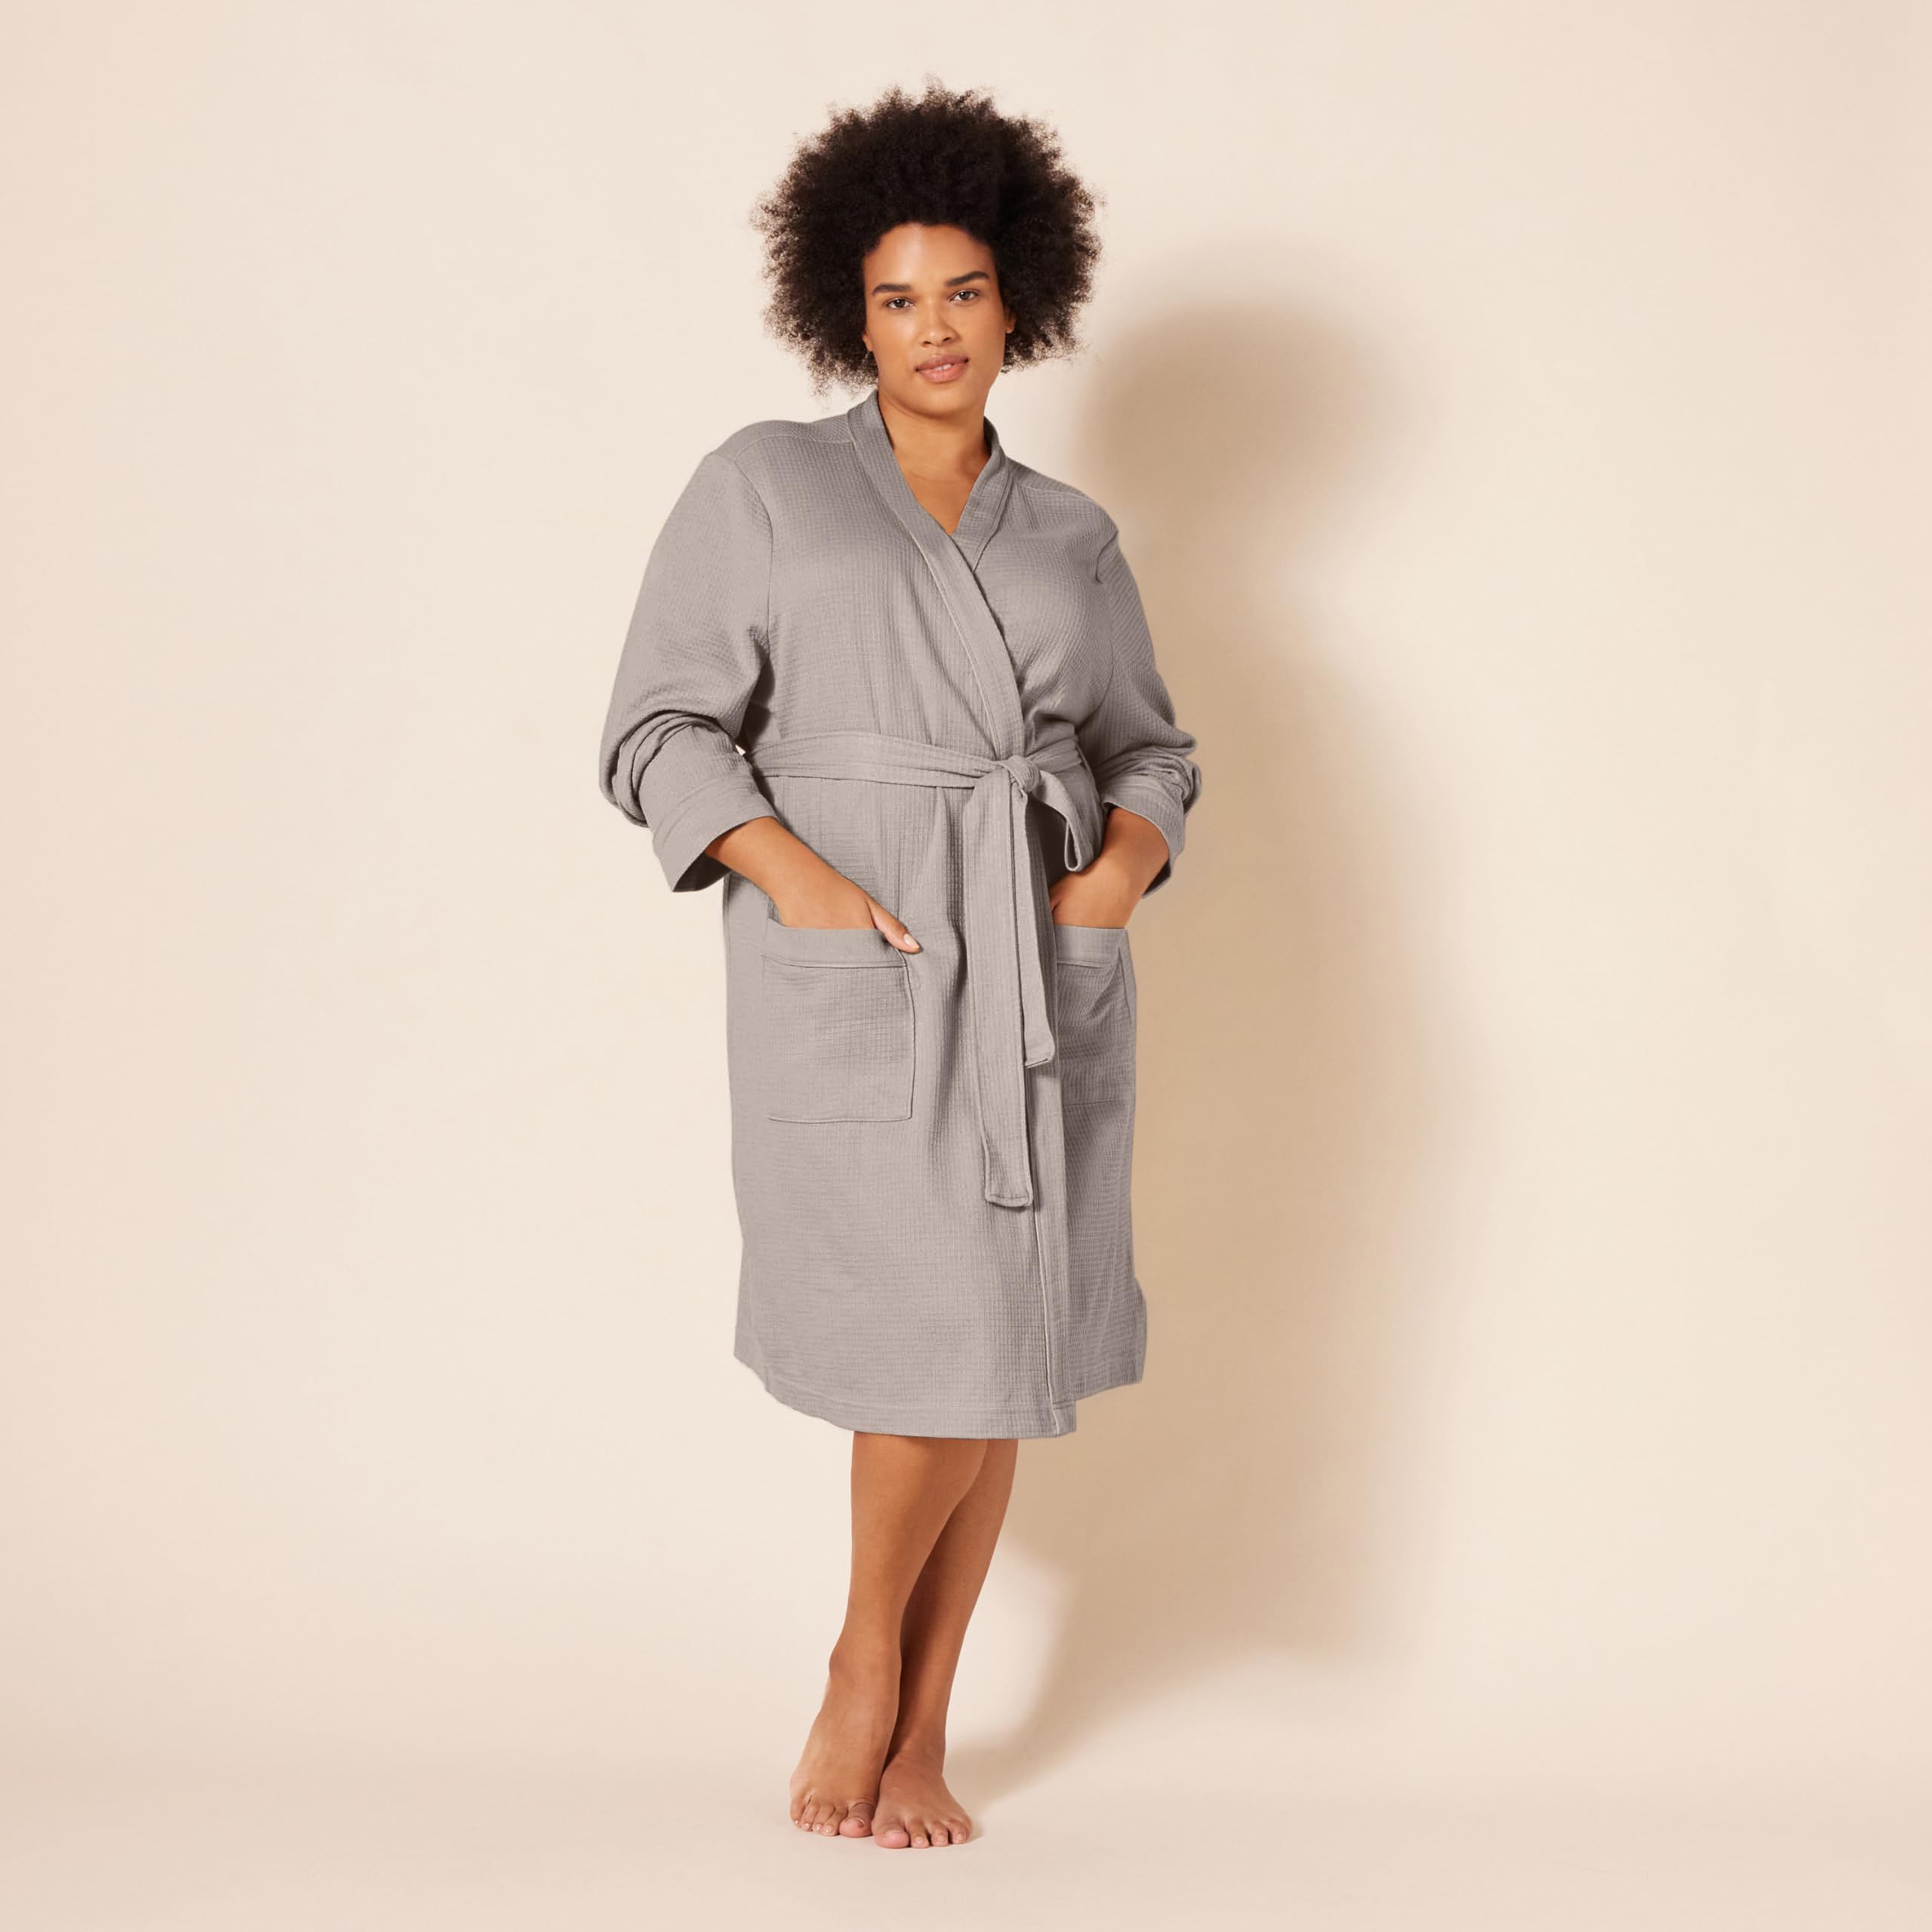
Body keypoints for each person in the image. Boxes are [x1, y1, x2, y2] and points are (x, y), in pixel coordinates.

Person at [596, 80, 1204, 1848]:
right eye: (894, 299)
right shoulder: (765, 484)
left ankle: (916, 1722)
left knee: (996, 1340)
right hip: (860, 959)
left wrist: (1109, 882)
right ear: (844, 318)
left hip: (1033, 967)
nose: (933, 328)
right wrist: (791, 876)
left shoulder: (1070, 533)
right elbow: (657, 725)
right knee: (934, 1330)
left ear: (1018, 299)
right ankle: (864, 1656)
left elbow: (1150, 750)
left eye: (961, 292)